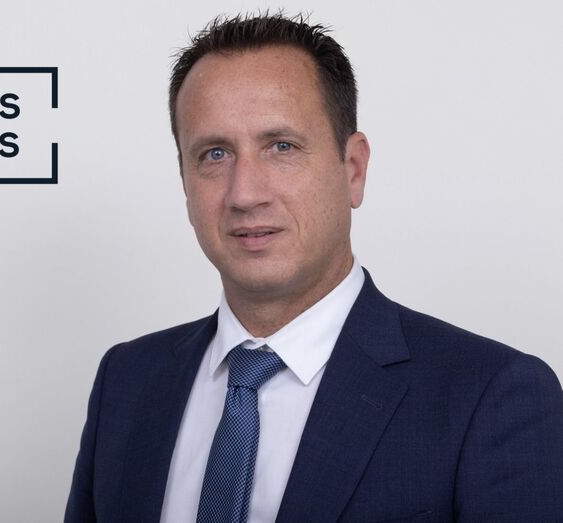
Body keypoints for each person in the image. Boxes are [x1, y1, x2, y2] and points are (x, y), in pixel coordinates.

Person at [65, 13, 563, 523]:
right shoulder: (127, 381)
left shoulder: (491, 395)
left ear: (353, 169)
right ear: (184, 182)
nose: (245, 194)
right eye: (214, 154)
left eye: (281, 147)